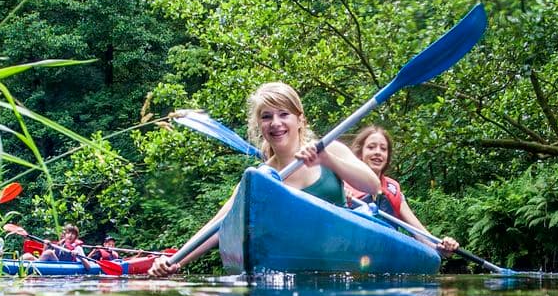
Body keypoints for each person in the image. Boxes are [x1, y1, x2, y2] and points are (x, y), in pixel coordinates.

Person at [149, 82, 383, 276]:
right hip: (295, 274)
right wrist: (173, 261)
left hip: (342, 267)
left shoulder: (331, 150)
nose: (276, 123)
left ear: (300, 120)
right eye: (266, 116)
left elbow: (372, 186)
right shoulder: (259, 180)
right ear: (259, 125)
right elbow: (217, 228)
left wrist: (328, 160)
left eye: (284, 114)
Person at [347, 125, 459, 255]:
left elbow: (419, 233)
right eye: (371, 147)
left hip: (384, 253)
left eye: (383, 149)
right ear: (360, 153)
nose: (378, 152)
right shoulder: (342, 185)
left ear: (387, 156)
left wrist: (441, 247)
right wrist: (341, 202)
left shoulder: (393, 191)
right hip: (350, 249)